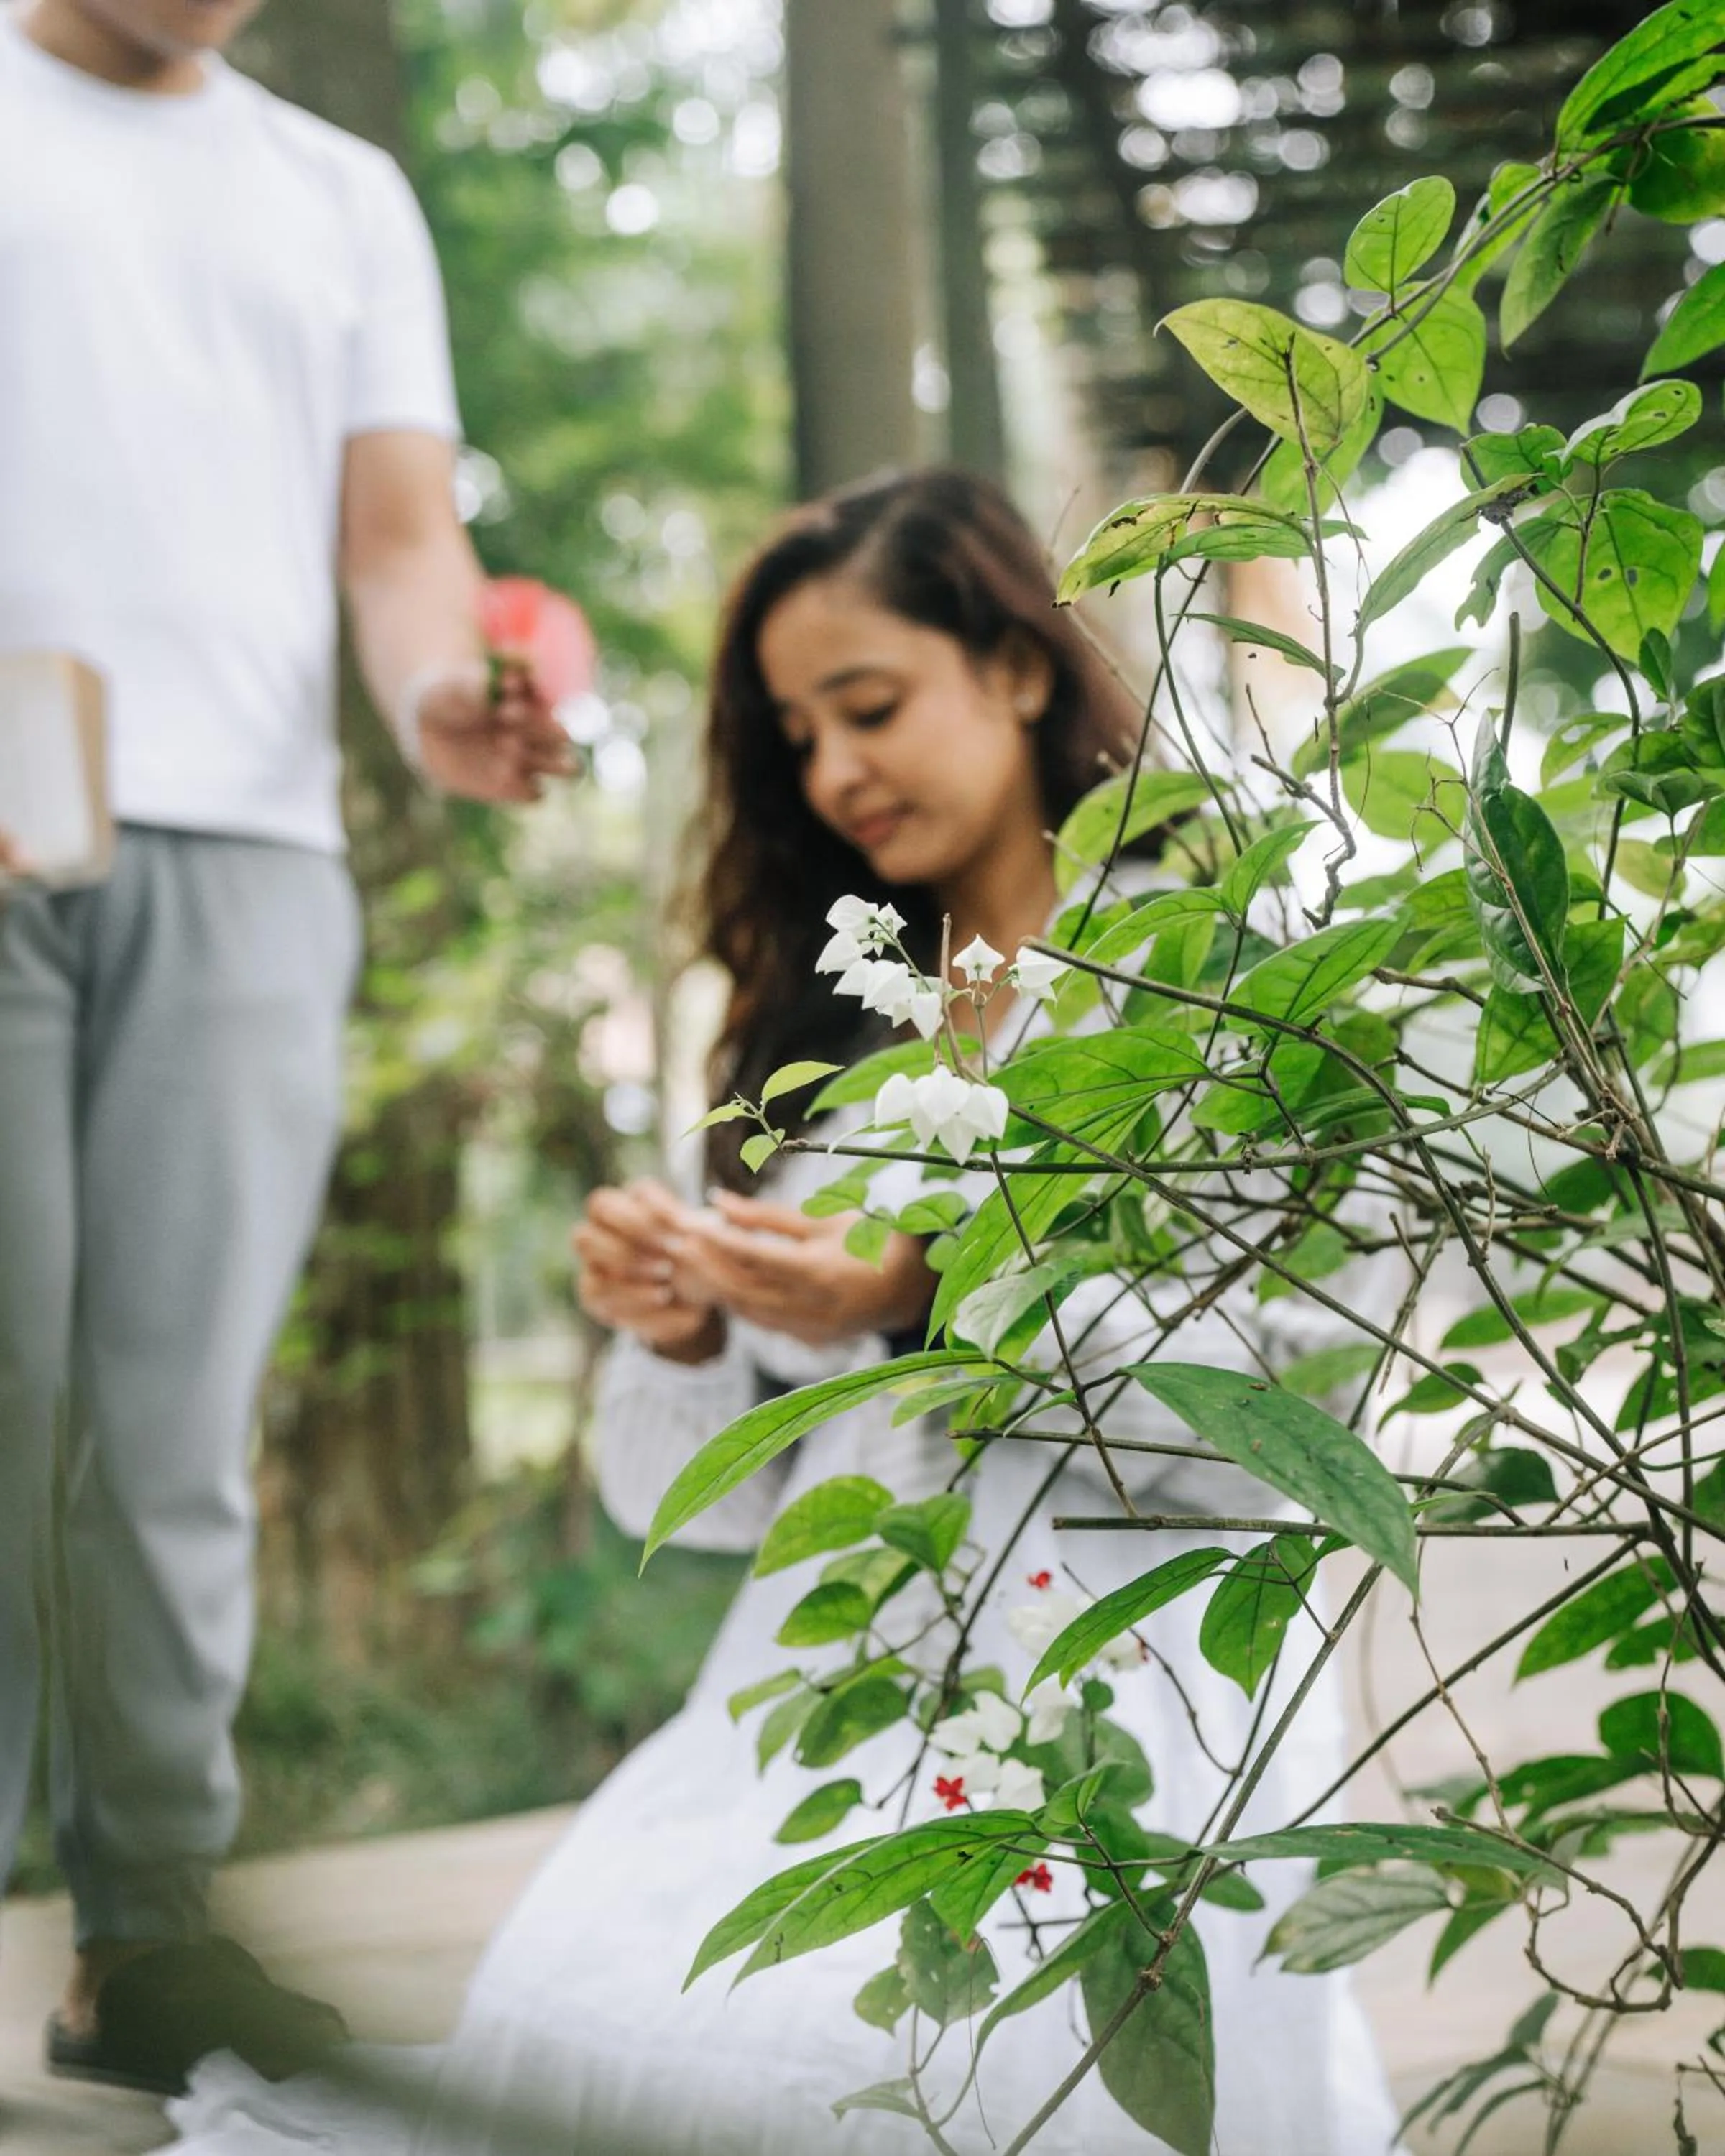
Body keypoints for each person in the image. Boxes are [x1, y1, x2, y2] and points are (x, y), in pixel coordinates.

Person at [160, 470, 1406, 2155]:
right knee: (599, 2035)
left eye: (870, 707)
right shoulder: (828, 1054)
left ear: (1019, 667)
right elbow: (700, 1505)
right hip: (815, 1710)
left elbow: (1285, 1419)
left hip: (1139, 1704)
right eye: (797, 734)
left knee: (912, 2089)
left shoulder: (1204, 972)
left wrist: (931, 1303)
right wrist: (685, 1341)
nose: (833, 773)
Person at [0, 0, 571, 2098]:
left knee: (163, 1428)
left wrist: (450, 711)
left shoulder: (341, 195)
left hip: (246, 845)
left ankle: (144, 1938)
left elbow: (403, 552)